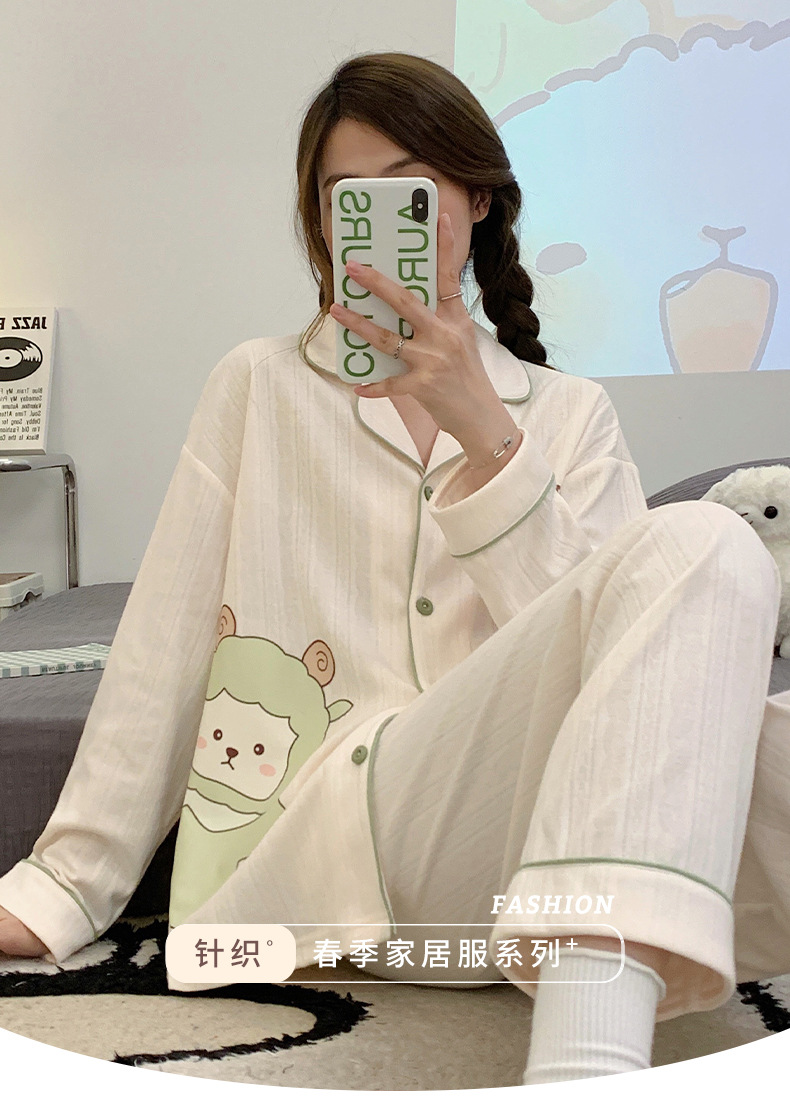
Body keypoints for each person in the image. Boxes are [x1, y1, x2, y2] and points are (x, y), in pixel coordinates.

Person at [0, 51, 788, 1086]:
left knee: (718, 577)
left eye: (410, 190)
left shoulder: (570, 414)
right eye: (346, 198)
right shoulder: (260, 387)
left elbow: (615, 695)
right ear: (321, 222)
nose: (375, 221)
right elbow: (164, 647)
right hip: (318, 867)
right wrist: (62, 884)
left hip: (508, 871)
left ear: (475, 199)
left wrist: (487, 436)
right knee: (710, 540)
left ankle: (590, 1018)